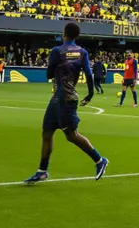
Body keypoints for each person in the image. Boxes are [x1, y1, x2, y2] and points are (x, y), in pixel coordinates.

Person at [23, 22, 108, 184]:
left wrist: (55, 68)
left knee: (71, 135)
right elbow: (89, 75)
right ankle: (42, 171)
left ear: (64, 33)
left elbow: (48, 74)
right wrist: (90, 94)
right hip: (63, 98)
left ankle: (99, 160)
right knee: (47, 132)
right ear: (76, 36)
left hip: (63, 99)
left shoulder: (57, 51)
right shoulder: (82, 52)